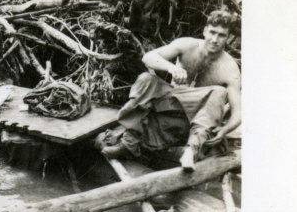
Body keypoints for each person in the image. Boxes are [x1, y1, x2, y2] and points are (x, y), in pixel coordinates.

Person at [99, 10, 241, 170]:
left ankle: (190, 152)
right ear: (204, 31)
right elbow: (148, 57)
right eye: (212, 32)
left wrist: (225, 129)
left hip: (195, 122)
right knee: (146, 79)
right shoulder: (187, 44)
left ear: (228, 38)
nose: (215, 39)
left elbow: (238, 113)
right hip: (168, 111)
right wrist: (171, 68)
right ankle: (128, 144)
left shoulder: (230, 68)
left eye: (221, 35)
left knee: (219, 93)